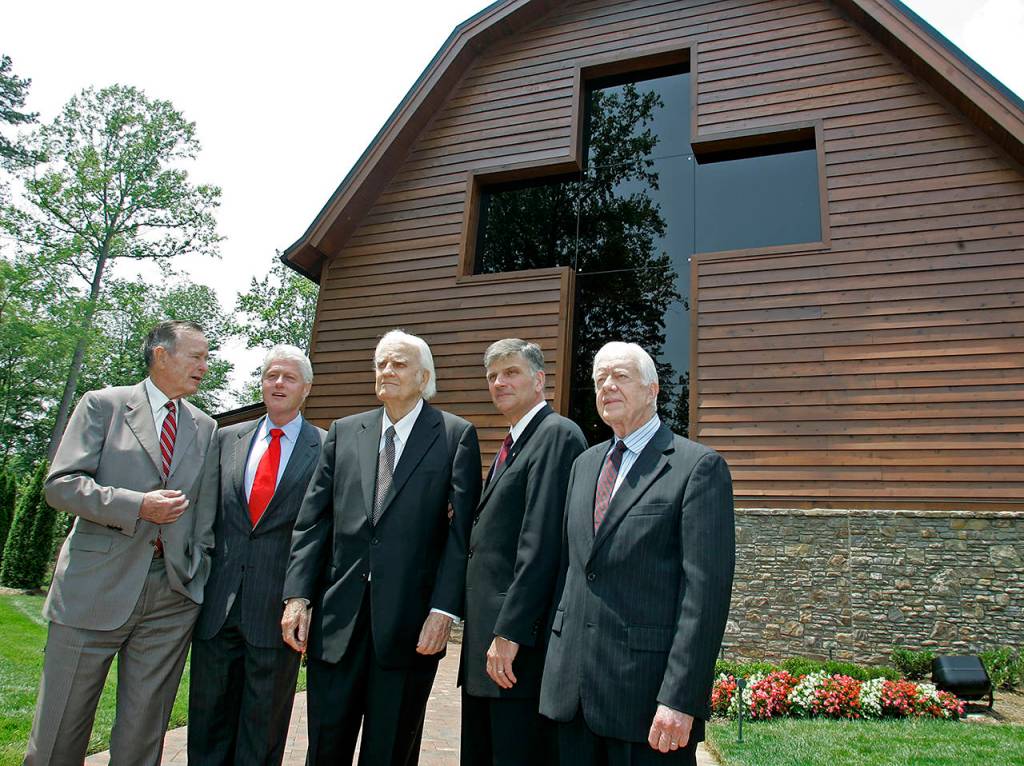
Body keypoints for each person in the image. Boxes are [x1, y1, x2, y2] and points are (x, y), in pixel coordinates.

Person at [281, 329, 481, 766]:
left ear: (424, 375)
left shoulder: (454, 436)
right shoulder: (344, 432)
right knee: (325, 747)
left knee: (389, 750)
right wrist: (298, 597)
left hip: (409, 628)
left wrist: (443, 611)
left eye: (398, 364)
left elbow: (460, 535)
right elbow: (314, 522)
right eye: (380, 363)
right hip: (337, 623)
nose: (386, 371)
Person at [27, 320, 218, 765]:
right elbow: (61, 486)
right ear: (162, 356)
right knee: (59, 731)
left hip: (171, 598)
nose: (204, 367)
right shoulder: (103, 406)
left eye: (207, 358)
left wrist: (194, 571)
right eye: (197, 356)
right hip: (93, 591)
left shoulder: (205, 426)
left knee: (143, 737)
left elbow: (205, 510)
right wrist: (136, 505)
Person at [539, 341, 735, 766]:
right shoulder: (585, 465)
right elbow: (573, 573)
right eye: (599, 379)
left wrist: (681, 699)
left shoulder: (697, 467)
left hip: (646, 705)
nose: (607, 385)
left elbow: (705, 596)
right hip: (570, 698)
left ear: (653, 389)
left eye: (620, 376)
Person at [188, 344, 325, 765]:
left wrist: (303, 599)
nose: (277, 383)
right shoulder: (226, 438)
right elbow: (205, 514)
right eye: (270, 375)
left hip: (276, 611)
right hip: (218, 606)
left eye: (288, 377)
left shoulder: (327, 447)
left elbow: (326, 531)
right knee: (208, 724)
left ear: (306, 389)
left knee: (261, 731)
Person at [459, 338, 586, 766]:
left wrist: (510, 631)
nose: (499, 382)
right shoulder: (514, 441)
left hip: (516, 652)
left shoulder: (556, 436)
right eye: (492, 376)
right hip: (489, 646)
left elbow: (542, 543)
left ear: (539, 379)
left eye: (510, 372)